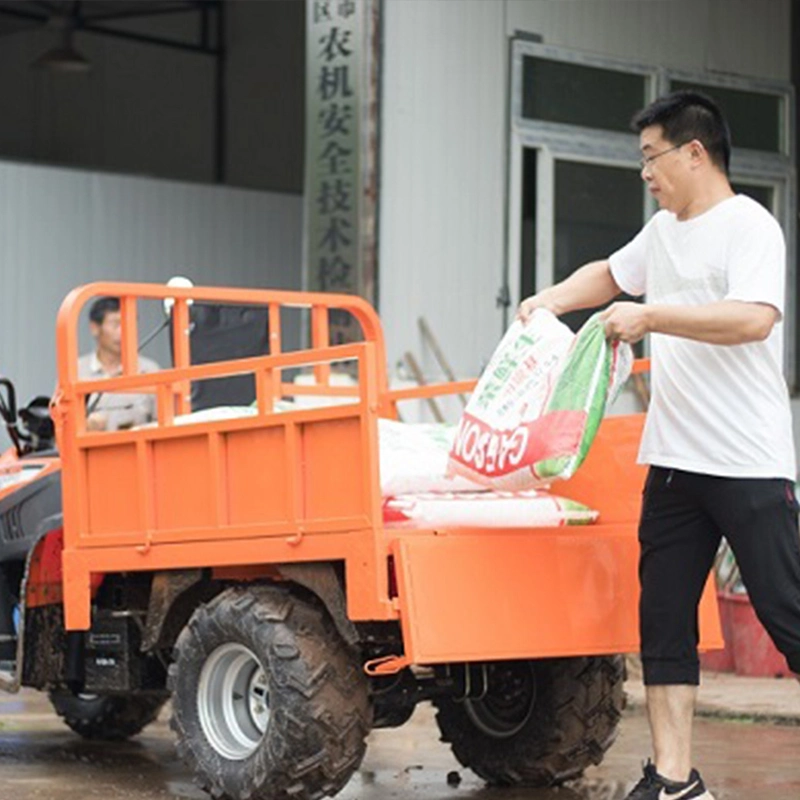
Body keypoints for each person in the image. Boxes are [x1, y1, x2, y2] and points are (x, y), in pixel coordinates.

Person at [518, 90, 800, 800]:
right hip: (674, 463)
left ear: (694, 152)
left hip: (748, 462)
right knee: (664, 620)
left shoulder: (750, 227)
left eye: (651, 157)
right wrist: (550, 298)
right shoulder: (662, 233)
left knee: (787, 611)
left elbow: (754, 320)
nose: (644, 172)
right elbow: (611, 277)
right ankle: (675, 780)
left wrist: (652, 318)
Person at [77, 296, 160, 431]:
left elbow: (164, 424)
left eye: (129, 324)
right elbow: (61, 426)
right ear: (95, 328)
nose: (123, 332)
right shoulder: (77, 371)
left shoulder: (149, 370)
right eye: (116, 324)